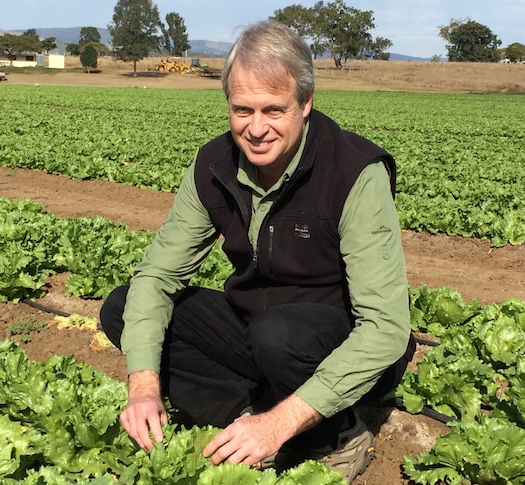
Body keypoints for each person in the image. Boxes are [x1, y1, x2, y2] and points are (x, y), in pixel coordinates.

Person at [99, 20, 415, 483]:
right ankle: (248, 417)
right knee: (125, 307)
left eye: (274, 110)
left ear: (306, 103)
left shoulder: (353, 173)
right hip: (257, 326)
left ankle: (339, 433)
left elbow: (386, 329)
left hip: (337, 339)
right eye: (242, 110)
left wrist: (279, 424)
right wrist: (143, 386)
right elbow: (157, 277)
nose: (257, 128)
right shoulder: (213, 166)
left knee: (279, 335)